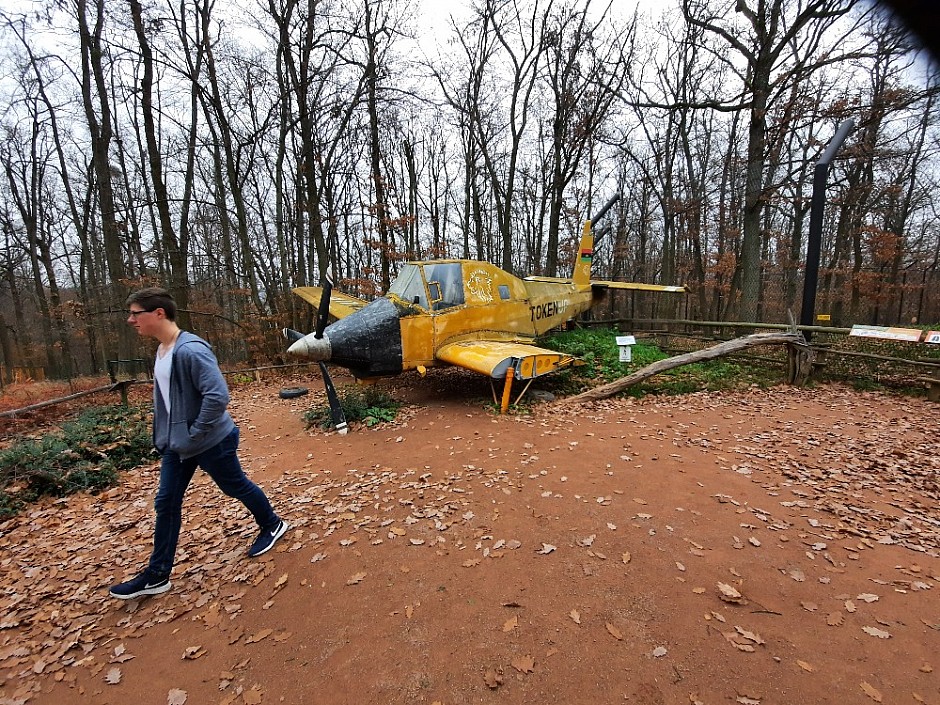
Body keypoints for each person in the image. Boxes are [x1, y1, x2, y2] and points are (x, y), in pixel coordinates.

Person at [109, 287, 287, 600]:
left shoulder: (190, 350)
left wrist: (194, 432)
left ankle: (272, 524)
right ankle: (157, 574)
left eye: (136, 313)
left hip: (211, 441)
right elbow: (170, 402)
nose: (131, 320)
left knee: (235, 486)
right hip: (178, 446)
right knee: (166, 502)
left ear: (158, 313)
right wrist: (169, 437)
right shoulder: (163, 351)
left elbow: (217, 395)